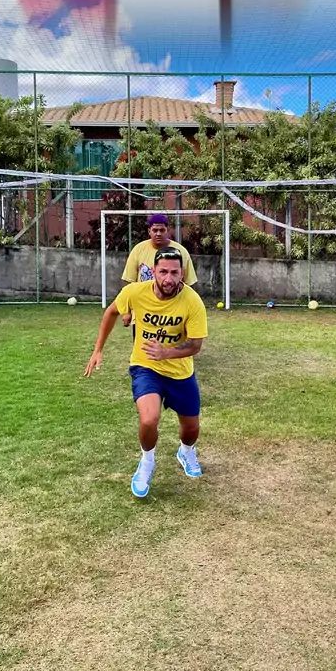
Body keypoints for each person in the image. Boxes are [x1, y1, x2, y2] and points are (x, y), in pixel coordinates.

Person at [85, 246, 208, 499]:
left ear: (182, 274)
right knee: (149, 419)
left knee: (191, 429)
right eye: (163, 272)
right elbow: (111, 312)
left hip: (180, 373)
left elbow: (196, 345)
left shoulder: (193, 301)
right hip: (146, 366)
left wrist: (167, 353)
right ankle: (147, 462)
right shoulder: (135, 292)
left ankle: (186, 452)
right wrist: (98, 350)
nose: (168, 278)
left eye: (174, 272)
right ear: (153, 271)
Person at [121, 213, 197, 338]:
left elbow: (190, 284)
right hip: (143, 313)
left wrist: (190, 311)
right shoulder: (138, 250)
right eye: (155, 230)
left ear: (167, 230)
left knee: (172, 347)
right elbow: (129, 284)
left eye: (162, 230)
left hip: (173, 314)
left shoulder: (180, 252)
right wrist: (126, 311)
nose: (158, 233)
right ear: (149, 231)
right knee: (142, 348)